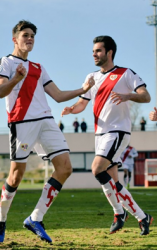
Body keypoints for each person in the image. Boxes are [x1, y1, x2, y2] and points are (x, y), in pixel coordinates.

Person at [0, 20, 94, 244]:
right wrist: (16, 79)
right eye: (25, 35)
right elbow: (0, 91)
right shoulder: (5, 62)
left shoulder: (38, 67)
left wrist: (83, 90)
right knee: (16, 176)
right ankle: (1, 219)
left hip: (46, 121)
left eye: (32, 36)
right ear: (15, 39)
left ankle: (35, 218)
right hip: (22, 123)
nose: (29, 39)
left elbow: (56, 95)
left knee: (65, 168)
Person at [61, 35, 153, 235]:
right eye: (93, 51)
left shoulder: (125, 73)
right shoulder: (91, 77)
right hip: (100, 135)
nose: (94, 54)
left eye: (98, 51)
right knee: (112, 180)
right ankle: (141, 217)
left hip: (117, 132)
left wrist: (128, 95)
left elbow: (146, 96)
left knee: (96, 169)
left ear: (109, 52)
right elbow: (82, 104)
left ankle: (120, 213)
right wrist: (71, 109)